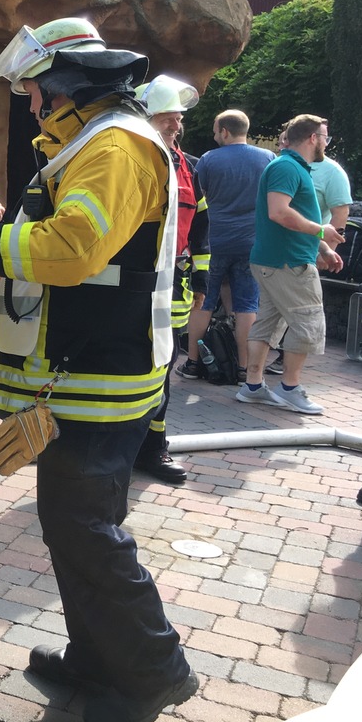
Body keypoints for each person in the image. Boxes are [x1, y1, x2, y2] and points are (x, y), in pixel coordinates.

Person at [0, 16, 199, 722]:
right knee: (73, 525)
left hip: (98, 378)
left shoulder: (112, 147)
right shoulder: (93, 143)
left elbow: (72, 251)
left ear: (70, 83)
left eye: (37, 89)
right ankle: (98, 660)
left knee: (88, 531)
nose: (32, 104)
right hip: (86, 373)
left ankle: (155, 672)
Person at [237, 114, 343, 414]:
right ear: (312, 138)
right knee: (308, 323)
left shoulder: (289, 166)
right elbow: (279, 213)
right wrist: (322, 232)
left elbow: (292, 216)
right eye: (325, 137)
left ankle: (253, 386)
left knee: (268, 324)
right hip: (289, 263)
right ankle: (289, 388)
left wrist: (321, 246)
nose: (326, 142)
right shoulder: (287, 167)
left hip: (274, 260)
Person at [132, 75, 208, 485]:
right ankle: (117, 445)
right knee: (128, 365)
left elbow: (202, 225)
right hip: (133, 287)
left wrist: (202, 277)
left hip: (173, 287)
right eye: (167, 119)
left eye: (177, 119)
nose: (175, 126)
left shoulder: (188, 166)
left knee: (163, 370)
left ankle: (153, 449)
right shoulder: (129, 161)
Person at [176, 110, 274, 382]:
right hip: (251, 244)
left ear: (225, 132)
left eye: (216, 129)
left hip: (213, 242)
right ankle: (245, 369)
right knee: (246, 306)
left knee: (202, 301)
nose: (213, 134)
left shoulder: (208, 160)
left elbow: (197, 200)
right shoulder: (267, 159)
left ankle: (194, 363)